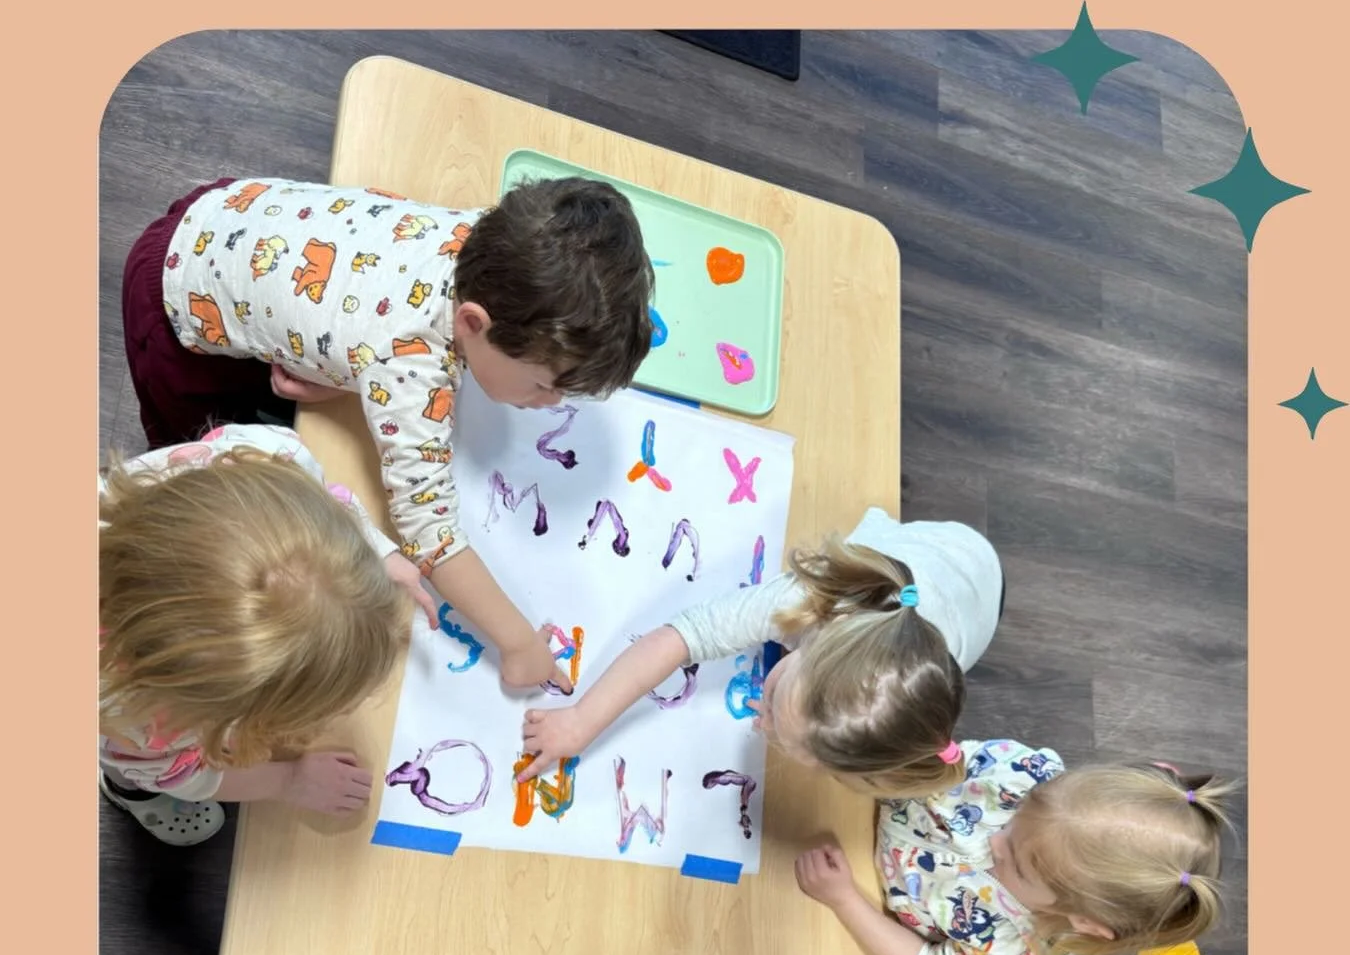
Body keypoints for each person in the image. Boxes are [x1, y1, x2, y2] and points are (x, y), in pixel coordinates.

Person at [122, 174, 654, 693]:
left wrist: (345, 369)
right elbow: (431, 535)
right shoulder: (410, 365)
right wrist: (517, 644)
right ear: (473, 324)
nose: (552, 405)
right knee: (198, 465)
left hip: (231, 208)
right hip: (173, 306)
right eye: (543, 386)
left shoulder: (495, 243)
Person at [100, 424, 435, 845]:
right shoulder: (139, 718)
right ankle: (124, 790)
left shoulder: (267, 457)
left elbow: (321, 500)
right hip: (123, 723)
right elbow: (181, 775)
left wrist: (372, 555)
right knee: (128, 765)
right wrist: (288, 779)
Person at [518, 512, 1002, 794]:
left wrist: (785, 708)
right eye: (770, 699)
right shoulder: (807, 599)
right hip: (956, 547)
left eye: (774, 727)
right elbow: (683, 636)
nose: (761, 720)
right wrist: (581, 720)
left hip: (975, 600)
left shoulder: (918, 693)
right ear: (817, 640)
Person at [795, 746, 1231, 955]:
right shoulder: (1026, 772)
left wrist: (845, 900)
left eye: (1019, 866)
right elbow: (933, 763)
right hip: (852, 798)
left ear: (1084, 922)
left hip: (863, 892)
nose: (996, 841)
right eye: (1018, 813)